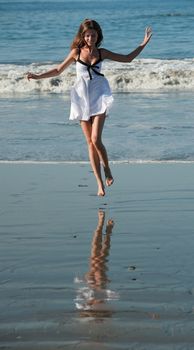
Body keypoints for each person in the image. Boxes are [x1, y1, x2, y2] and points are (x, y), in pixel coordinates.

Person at [27, 19, 152, 196]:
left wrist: (143, 44)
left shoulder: (102, 53)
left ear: (97, 36)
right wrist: (38, 76)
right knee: (90, 143)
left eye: (93, 35)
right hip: (81, 97)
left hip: (100, 95)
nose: (90, 37)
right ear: (83, 36)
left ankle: (107, 168)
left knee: (96, 139)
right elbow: (58, 70)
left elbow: (128, 59)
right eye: (87, 35)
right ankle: (99, 183)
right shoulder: (76, 53)